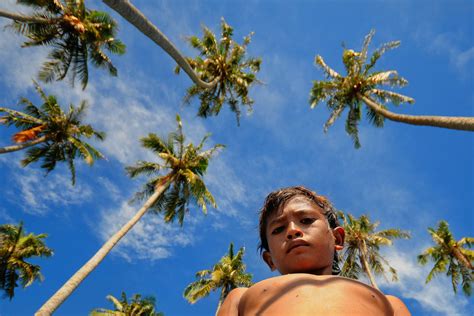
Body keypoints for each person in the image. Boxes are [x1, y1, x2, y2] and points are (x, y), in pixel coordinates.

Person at [218, 186, 410, 315]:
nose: (292, 231)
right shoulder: (242, 296)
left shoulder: (389, 303)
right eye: (278, 229)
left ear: (337, 238)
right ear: (270, 260)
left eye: (307, 221)